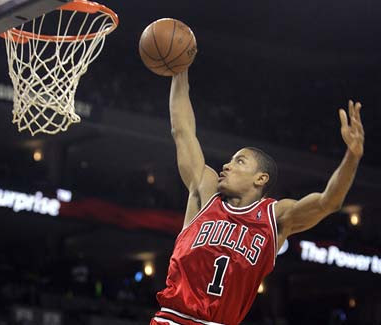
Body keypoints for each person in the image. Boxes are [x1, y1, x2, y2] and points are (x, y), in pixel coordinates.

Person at [150, 70, 364, 325]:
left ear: (260, 179)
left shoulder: (275, 217)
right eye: (229, 161)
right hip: (172, 319)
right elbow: (182, 131)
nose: (226, 166)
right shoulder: (204, 191)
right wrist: (179, 71)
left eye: (239, 161)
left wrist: (352, 156)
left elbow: (328, 202)